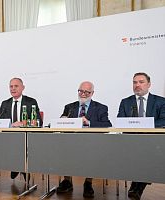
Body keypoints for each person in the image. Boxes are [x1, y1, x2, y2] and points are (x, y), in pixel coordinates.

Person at [57, 81, 112, 198]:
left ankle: (88, 182)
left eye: (87, 92)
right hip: (71, 141)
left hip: (91, 142)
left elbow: (107, 125)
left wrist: (89, 122)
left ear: (92, 93)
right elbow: (62, 122)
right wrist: (63, 120)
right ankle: (67, 181)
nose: (83, 94)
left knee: (92, 151)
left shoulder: (101, 108)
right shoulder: (69, 107)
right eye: (81, 91)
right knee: (63, 148)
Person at [117, 72, 165, 200]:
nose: (137, 85)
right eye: (134, 82)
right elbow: (121, 120)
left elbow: (164, 121)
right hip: (131, 142)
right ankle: (138, 184)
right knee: (138, 152)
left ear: (149, 84)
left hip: (153, 141)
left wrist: (145, 125)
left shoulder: (160, 101)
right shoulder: (126, 102)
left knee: (147, 152)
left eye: (141, 82)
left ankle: (137, 185)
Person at [0, 77, 42, 180]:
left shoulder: (31, 102)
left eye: (16, 86)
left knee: (22, 143)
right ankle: (16, 166)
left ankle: (21, 167)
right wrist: (11, 125)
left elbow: (39, 121)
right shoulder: (5, 103)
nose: (13, 89)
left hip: (26, 135)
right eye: (11, 86)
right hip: (9, 136)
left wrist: (22, 123)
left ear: (23, 88)